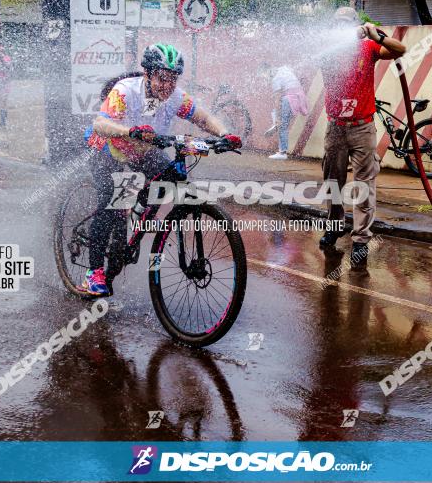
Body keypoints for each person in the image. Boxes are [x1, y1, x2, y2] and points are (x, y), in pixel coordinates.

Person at [80, 43, 242, 296]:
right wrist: (129, 131)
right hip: (108, 147)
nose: (167, 86)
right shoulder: (125, 92)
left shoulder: (175, 97)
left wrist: (225, 134)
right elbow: (100, 124)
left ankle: (137, 211)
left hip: (141, 149)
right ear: (147, 74)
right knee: (112, 203)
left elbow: (203, 118)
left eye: (173, 79)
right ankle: (94, 273)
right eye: (162, 78)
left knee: (170, 174)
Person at [319, 7, 406, 265]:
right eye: (338, 23)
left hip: (362, 127)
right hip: (335, 127)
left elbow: (400, 50)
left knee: (364, 186)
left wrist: (375, 35)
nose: (341, 27)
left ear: (356, 24)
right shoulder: (328, 48)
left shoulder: (368, 48)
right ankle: (335, 226)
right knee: (333, 182)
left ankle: (360, 239)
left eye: (346, 23)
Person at [261, 63, 308, 160]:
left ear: (267, 71)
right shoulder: (284, 68)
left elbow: (277, 100)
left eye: (264, 76)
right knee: (281, 120)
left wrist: (278, 118)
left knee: (282, 125)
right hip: (298, 97)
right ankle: (275, 124)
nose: (265, 79)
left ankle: (282, 152)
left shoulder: (275, 79)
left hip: (289, 100)